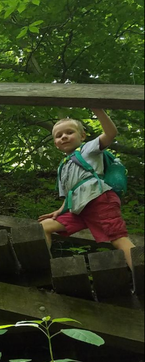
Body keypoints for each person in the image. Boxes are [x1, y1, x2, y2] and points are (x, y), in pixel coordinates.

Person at [38, 109, 135, 270]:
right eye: (59, 135)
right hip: (78, 209)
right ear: (56, 143)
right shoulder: (62, 167)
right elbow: (70, 194)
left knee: (118, 239)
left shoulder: (88, 150)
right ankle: (43, 269)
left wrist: (98, 110)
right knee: (43, 227)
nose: (64, 137)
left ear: (82, 136)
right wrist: (60, 211)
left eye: (69, 132)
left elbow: (111, 133)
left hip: (99, 200)